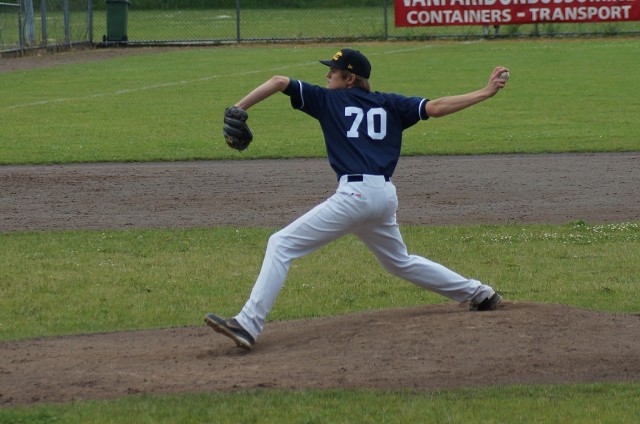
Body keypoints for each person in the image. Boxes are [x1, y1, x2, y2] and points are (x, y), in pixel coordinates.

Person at [205, 48, 509, 350]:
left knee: (281, 244)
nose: (327, 76)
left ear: (350, 78)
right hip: (384, 196)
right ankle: (480, 293)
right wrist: (485, 92)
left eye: (333, 72)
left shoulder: (328, 100)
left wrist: (239, 107)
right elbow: (437, 107)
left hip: (355, 196)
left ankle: (248, 323)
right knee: (400, 262)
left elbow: (278, 81)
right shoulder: (390, 103)